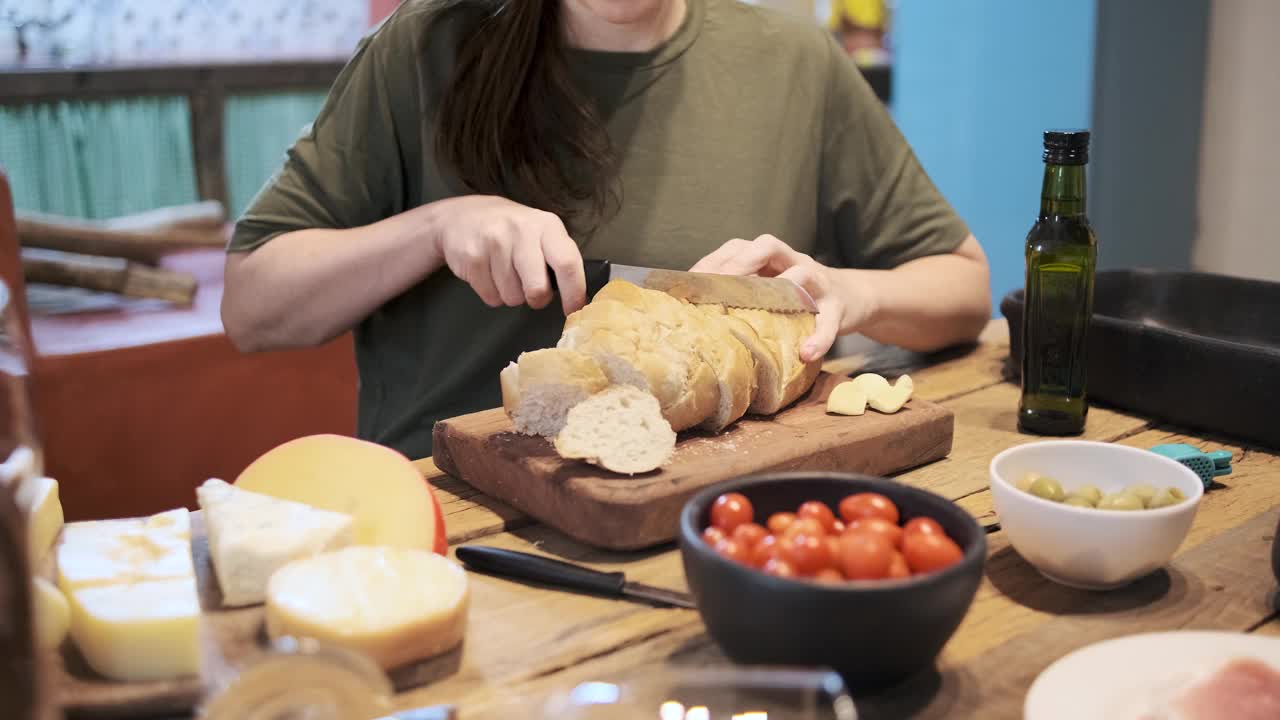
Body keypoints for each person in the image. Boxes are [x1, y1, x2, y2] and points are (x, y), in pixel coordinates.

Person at [221, 0, 992, 460]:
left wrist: (846, 294)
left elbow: (965, 285)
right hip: (451, 521)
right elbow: (253, 305)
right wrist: (436, 226)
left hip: (711, 513)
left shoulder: (793, 62)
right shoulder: (423, 48)